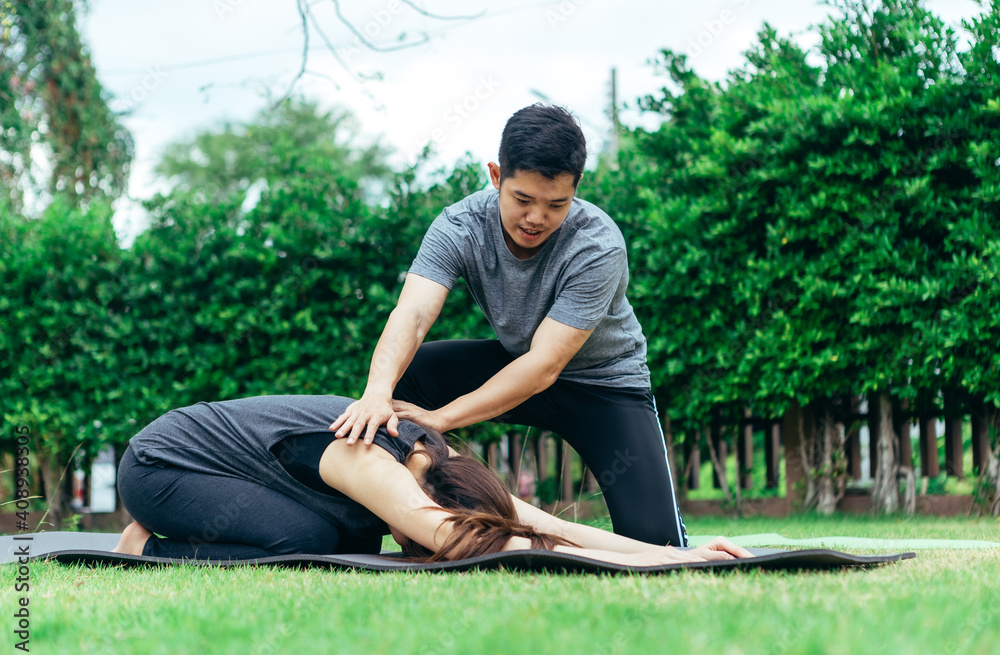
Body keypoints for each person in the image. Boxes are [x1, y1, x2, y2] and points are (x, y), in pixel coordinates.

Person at [329, 103, 689, 548]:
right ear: (497, 176)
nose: (536, 218)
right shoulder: (459, 226)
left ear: (577, 188)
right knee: (412, 374)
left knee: (663, 549)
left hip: (604, 385)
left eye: (556, 204)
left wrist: (441, 419)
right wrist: (376, 394)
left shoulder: (598, 244)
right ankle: (417, 520)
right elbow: (414, 314)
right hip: (518, 364)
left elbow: (544, 366)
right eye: (522, 199)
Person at [112, 394, 751, 565]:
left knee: (347, 543)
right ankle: (147, 544)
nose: (411, 545)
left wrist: (676, 555)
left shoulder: (433, 458)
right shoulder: (372, 456)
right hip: (164, 467)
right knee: (299, 542)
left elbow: (545, 524)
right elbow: (451, 535)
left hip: (227, 469)